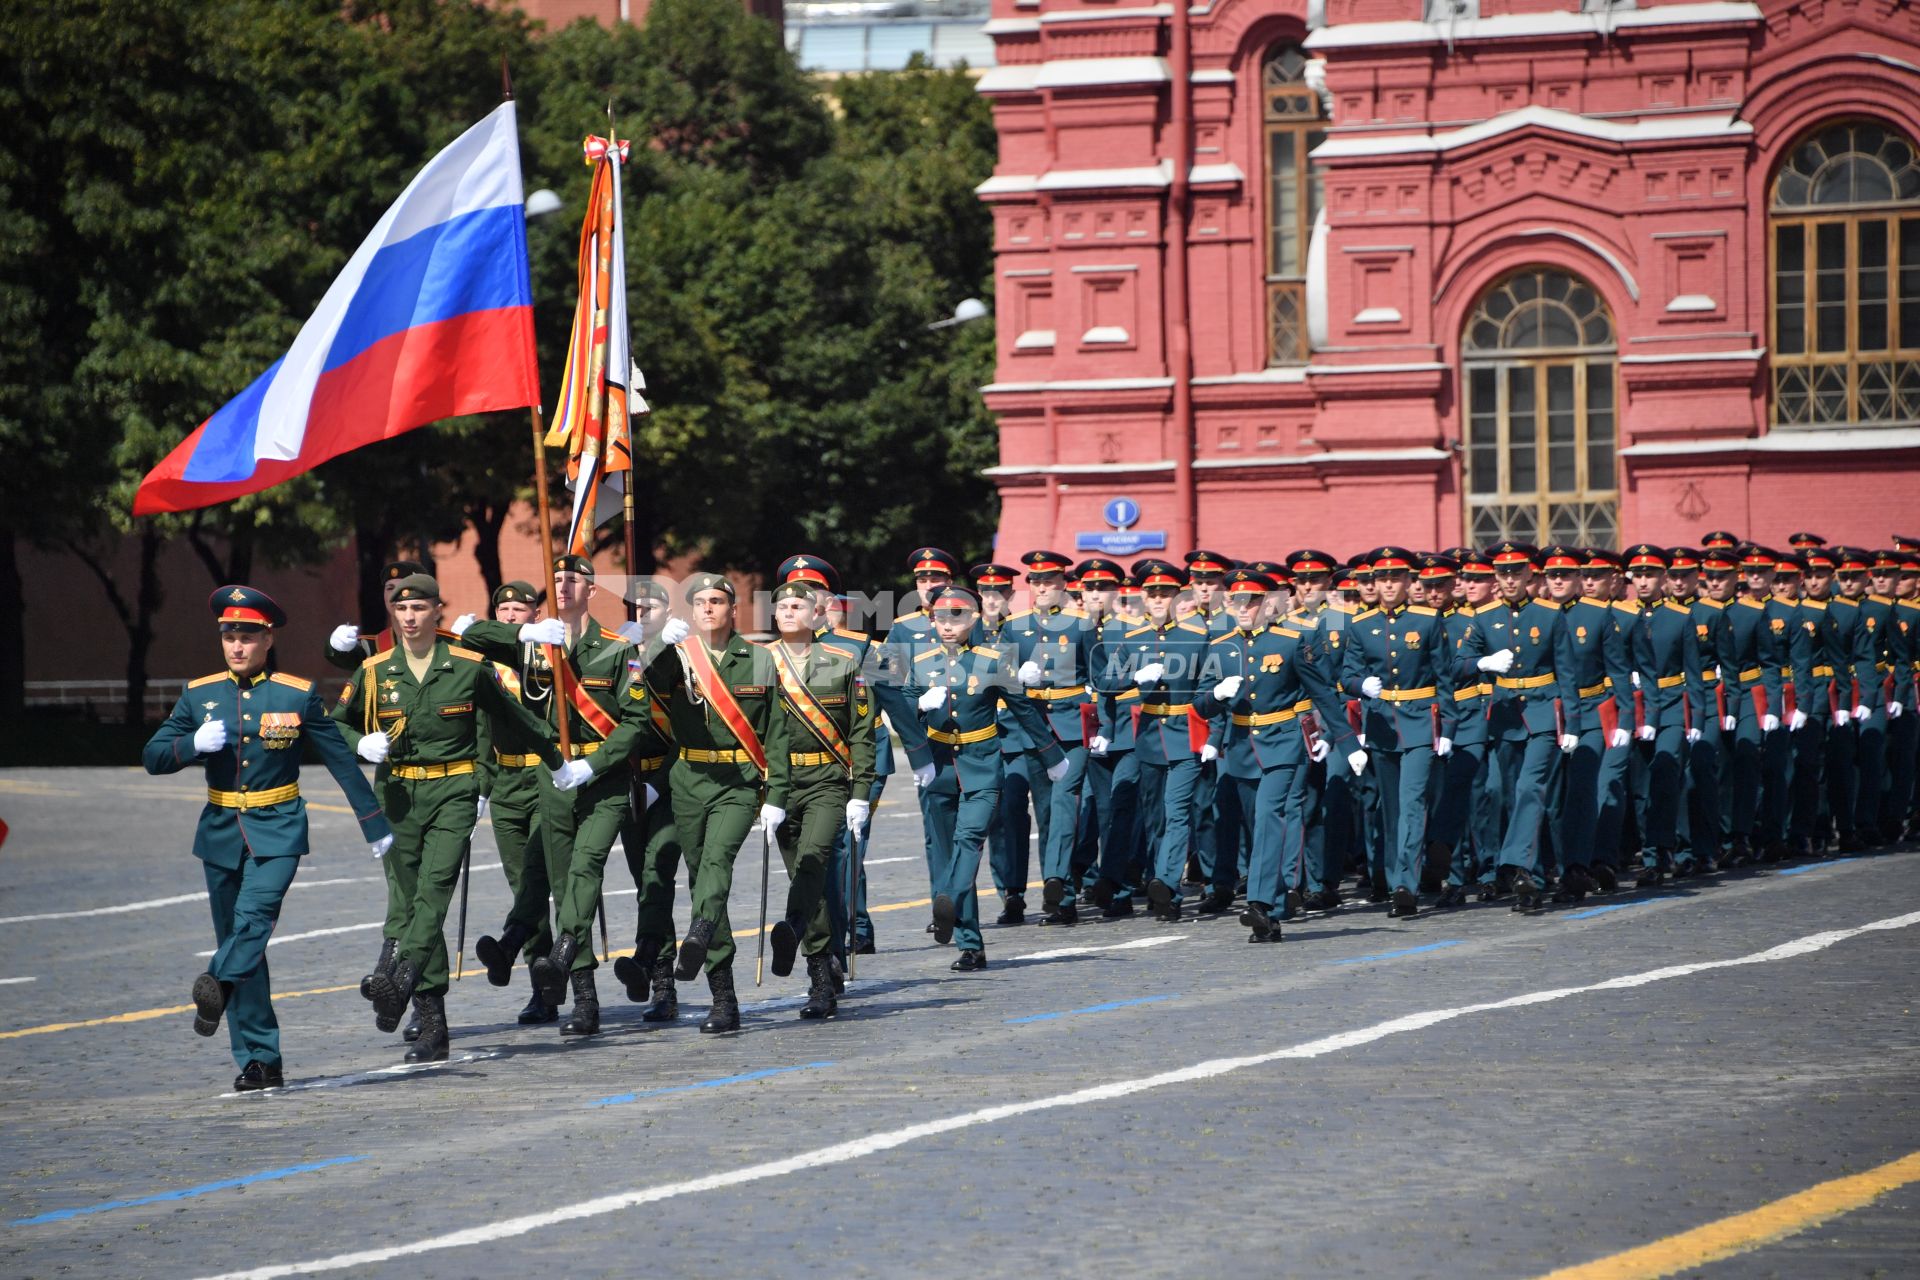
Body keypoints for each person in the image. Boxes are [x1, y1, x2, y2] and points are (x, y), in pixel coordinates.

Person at [144, 586, 392, 1091]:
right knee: (240, 945)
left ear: (267, 638)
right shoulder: (199, 694)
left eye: (247, 636)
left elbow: (341, 761)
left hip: (278, 827)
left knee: (254, 921)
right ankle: (260, 1059)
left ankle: (215, 983)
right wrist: (189, 744)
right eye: (229, 636)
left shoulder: (294, 694)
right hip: (219, 833)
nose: (237, 646)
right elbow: (152, 756)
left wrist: (375, 824)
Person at [331, 574, 561, 1062]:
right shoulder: (373, 673)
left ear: (438, 611)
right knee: (410, 897)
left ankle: (403, 972)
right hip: (396, 794)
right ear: (394, 614)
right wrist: (359, 744)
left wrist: (560, 761)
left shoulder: (468, 665)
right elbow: (333, 726)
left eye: (420, 607)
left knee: (435, 889)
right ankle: (432, 1019)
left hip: (453, 790)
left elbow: (514, 718)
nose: (410, 617)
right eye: (402, 608)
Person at [456, 555, 659, 1040]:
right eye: (558, 580)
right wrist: (525, 635)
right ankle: (584, 998)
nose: (564, 587)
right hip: (553, 779)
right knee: (565, 881)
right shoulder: (537, 647)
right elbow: (472, 639)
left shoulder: (616, 651)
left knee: (586, 867)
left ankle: (565, 950)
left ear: (592, 591)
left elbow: (636, 721)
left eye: (574, 580)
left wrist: (592, 763)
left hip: (599, 777)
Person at [644, 572, 791, 1033]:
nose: (708, 608)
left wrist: (777, 795)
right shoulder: (679, 654)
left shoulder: (759, 658)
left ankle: (701, 930)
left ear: (733, 610)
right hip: (689, 778)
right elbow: (641, 683)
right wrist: (657, 646)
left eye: (717, 601)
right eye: (700, 602)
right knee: (699, 875)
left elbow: (776, 731)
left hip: (738, 779)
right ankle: (723, 997)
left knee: (717, 864)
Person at [901, 586, 1064, 970]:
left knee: (969, 839)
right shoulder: (921, 663)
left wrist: (1052, 756)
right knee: (946, 853)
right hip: (939, 768)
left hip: (982, 764)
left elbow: (1024, 711)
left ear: (973, 619)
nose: (947, 624)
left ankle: (951, 902)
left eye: (956, 616)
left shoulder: (993, 661)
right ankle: (970, 944)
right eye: (940, 617)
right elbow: (902, 711)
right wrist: (918, 707)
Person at [1194, 570, 1353, 940]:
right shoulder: (1220, 646)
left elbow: (1324, 694)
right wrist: (1216, 697)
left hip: (1284, 741)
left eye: (1251, 601)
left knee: (1269, 816)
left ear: (1266, 604)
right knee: (1257, 824)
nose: (1243, 608)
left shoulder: (1291, 641)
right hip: (1241, 746)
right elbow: (1200, 706)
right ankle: (1276, 910)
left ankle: (1259, 904)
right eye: (1236, 602)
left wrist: (1346, 741)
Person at [766, 575, 876, 1020]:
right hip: (780, 784)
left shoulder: (843, 661)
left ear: (816, 615)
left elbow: (861, 731)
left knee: (814, 858)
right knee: (804, 877)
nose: (789, 611)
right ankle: (822, 977)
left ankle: (793, 929)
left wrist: (861, 791)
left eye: (799, 606)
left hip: (828, 781)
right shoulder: (759, 662)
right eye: (782, 606)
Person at [459, 580, 561, 1026]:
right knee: (522, 882)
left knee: (539, 874)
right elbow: (482, 730)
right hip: (505, 782)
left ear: (535, 615)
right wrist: (482, 786)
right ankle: (543, 988)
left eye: (521, 610)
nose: (511, 616)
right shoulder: (485, 664)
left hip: (546, 775)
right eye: (504, 611)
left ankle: (521, 952)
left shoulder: (550, 653)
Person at [1090, 559, 1212, 922]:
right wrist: (1132, 675)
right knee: (1155, 818)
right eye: (1152, 593)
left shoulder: (1196, 637)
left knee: (1176, 813)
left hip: (1185, 734)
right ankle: (1159, 882)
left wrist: (1213, 736)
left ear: (1178, 597)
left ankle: (1167, 886)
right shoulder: (1131, 639)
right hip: (1148, 737)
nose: (1159, 599)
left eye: (1166, 593)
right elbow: (1105, 684)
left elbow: (1209, 689)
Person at [1341, 546, 1458, 917]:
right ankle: (1396, 883)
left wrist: (1449, 727)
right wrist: (1361, 686)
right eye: (1383, 579)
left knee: (1412, 803)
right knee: (1390, 810)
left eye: (1396, 578)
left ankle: (1405, 882)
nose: (1389, 585)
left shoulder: (1427, 621)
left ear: (1410, 582)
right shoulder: (1361, 625)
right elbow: (1346, 675)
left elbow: (1445, 677)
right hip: (1381, 724)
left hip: (1421, 720)